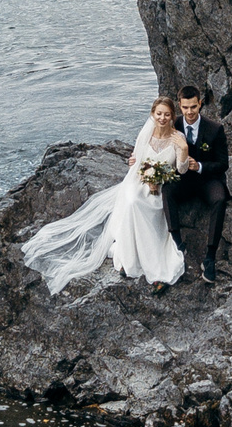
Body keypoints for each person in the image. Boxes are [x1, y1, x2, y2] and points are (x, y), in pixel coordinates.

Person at [20, 95, 190, 293]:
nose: (162, 118)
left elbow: (182, 170)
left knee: (141, 204)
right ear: (153, 114)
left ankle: (155, 260)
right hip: (140, 182)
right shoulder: (147, 134)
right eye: (159, 113)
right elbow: (137, 162)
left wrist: (184, 149)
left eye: (166, 114)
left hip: (163, 187)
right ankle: (130, 258)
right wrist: (139, 169)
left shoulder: (178, 138)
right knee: (132, 199)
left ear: (172, 116)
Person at [167, 85, 229, 282]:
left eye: (193, 107)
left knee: (220, 199)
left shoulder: (215, 129)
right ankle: (177, 244)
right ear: (179, 106)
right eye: (185, 108)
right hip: (183, 181)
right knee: (167, 191)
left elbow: (223, 164)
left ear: (200, 103)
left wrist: (200, 166)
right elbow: (155, 146)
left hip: (207, 180)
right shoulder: (172, 126)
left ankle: (210, 257)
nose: (190, 112)